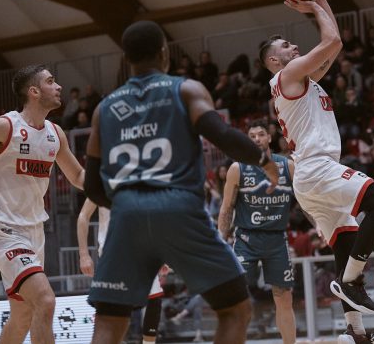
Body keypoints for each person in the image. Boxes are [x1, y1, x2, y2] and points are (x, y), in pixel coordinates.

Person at [82, 20, 279, 344]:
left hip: (126, 211)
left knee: (109, 322)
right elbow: (225, 136)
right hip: (177, 206)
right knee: (235, 309)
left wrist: (128, 204)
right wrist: (265, 162)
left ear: (127, 59)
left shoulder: (104, 110)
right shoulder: (185, 90)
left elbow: (91, 186)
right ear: (164, 53)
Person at [259, 0, 374, 344]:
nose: (293, 48)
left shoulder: (304, 80)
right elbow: (332, 38)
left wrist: (321, 0)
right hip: (317, 169)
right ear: (275, 61)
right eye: (285, 47)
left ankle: (355, 332)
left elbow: (334, 44)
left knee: (346, 245)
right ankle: (350, 282)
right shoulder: (287, 77)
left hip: (311, 177)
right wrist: (316, 3)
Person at [0, 65, 85, 344]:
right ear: (34, 91)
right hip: (2, 230)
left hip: (34, 231)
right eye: (51, 81)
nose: (59, 86)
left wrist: (114, 184)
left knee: (23, 316)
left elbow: (77, 176)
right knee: (46, 301)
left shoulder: (55, 134)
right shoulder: (2, 126)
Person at [218, 120, 296, 344]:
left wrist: (319, 224)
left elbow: (305, 201)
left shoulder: (287, 166)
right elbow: (226, 208)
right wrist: (220, 240)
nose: (257, 139)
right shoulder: (237, 168)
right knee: (236, 298)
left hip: (277, 239)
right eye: (252, 136)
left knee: (284, 298)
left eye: (261, 134)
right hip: (246, 239)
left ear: (269, 137)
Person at [78, 199, 164, 343]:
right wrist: (83, 254)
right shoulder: (102, 178)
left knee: (154, 298)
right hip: (113, 252)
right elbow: (84, 216)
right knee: (111, 315)